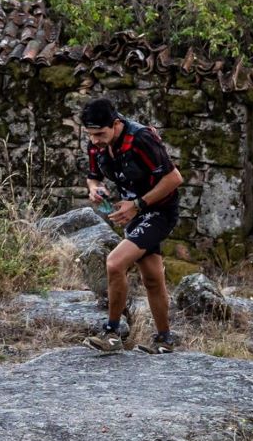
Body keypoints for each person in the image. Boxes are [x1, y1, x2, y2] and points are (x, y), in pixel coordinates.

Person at [78, 97, 184, 353]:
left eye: (100, 134)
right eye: (90, 135)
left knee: (115, 263)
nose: (94, 140)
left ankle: (112, 334)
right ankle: (165, 340)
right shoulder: (97, 143)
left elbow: (174, 178)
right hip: (135, 212)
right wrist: (96, 190)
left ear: (115, 124)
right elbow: (93, 178)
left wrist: (137, 204)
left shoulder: (141, 139)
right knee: (152, 278)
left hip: (159, 211)